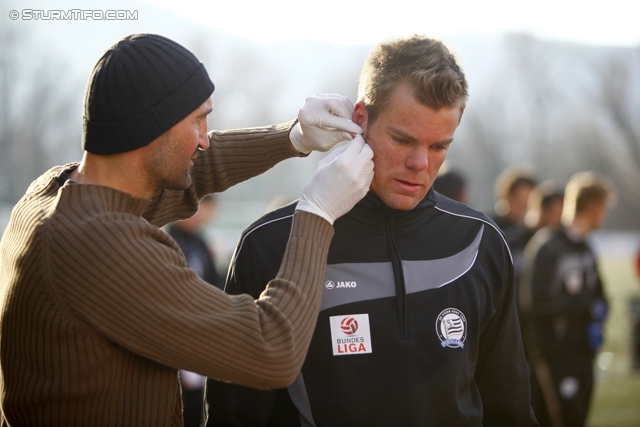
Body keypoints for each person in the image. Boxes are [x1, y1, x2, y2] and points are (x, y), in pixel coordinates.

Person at [0, 33, 375, 426]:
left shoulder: (55, 194)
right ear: (150, 127)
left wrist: (292, 138)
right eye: (198, 120)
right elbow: (271, 348)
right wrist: (317, 214)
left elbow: (196, 174)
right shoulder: (100, 246)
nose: (204, 139)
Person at [205, 35, 538, 427]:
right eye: (402, 139)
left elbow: (509, 407)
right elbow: (237, 415)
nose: (419, 163)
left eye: (439, 147)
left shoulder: (480, 242)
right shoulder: (269, 244)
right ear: (360, 120)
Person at [522, 172, 614, 427]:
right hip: (556, 357)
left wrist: (598, 313)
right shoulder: (547, 246)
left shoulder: (586, 248)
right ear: (594, 208)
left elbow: (600, 296)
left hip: (583, 353)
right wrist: (579, 307)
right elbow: (533, 304)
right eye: (604, 208)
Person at [492, 165, 537, 231]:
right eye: (520, 201)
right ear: (507, 197)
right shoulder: (492, 226)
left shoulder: (533, 230)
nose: (524, 207)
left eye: (529, 202)